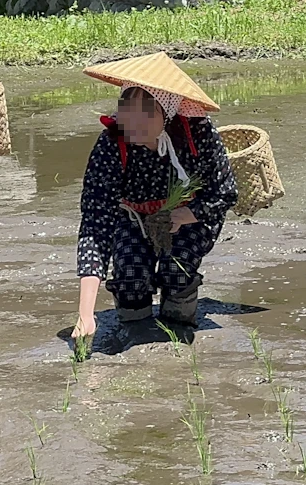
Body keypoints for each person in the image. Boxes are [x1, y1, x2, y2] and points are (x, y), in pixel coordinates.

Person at [71, 53, 237, 340]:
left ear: (167, 113)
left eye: (147, 111)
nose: (133, 120)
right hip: (132, 217)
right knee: (130, 278)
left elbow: (224, 192)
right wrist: (85, 314)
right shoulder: (111, 145)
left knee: (176, 269)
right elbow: (95, 225)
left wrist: (185, 215)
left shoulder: (197, 133)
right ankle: (135, 328)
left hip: (190, 216)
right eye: (126, 108)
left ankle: (179, 324)